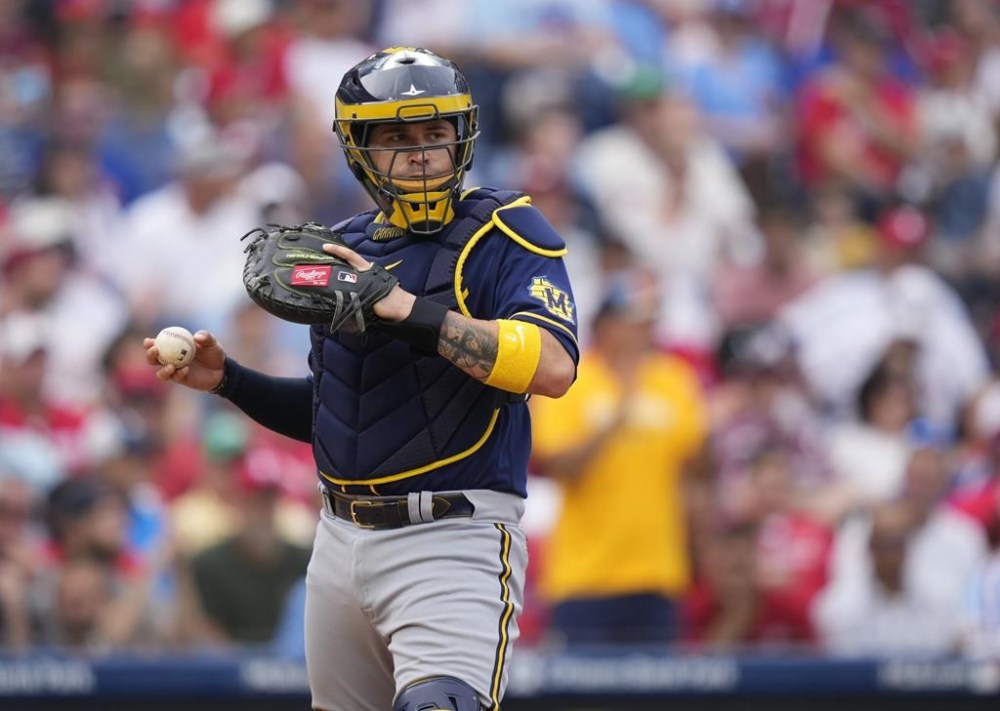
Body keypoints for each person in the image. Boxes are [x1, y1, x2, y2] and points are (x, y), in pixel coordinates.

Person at [145, 47, 578, 711]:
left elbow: (552, 365)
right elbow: (337, 415)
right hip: (339, 542)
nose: (421, 152)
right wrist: (230, 380)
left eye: (436, 132)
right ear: (358, 147)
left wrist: (403, 308)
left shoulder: (502, 229)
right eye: (397, 137)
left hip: (452, 536)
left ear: (462, 136)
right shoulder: (343, 249)